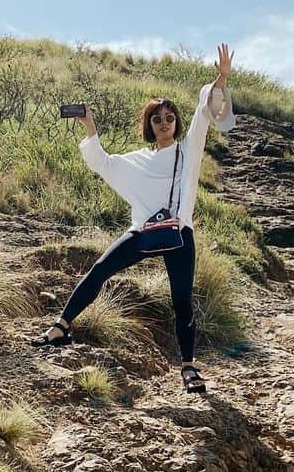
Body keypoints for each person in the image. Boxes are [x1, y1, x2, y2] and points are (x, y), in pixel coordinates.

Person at [30, 44, 236, 394]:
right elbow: (104, 162)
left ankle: (188, 368)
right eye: (157, 119)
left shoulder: (187, 150)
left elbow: (205, 112)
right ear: (150, 125)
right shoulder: (137, 160)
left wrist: (221, 77)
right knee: (100, 269)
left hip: (179, 234)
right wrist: (90, 126)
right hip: (142, 231)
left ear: (176, 123)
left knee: (182, 298)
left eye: (170, 118)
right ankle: (62, 327)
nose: (164, 123)